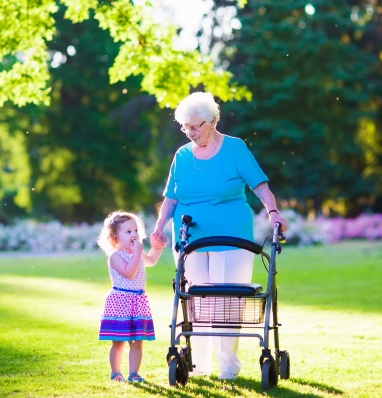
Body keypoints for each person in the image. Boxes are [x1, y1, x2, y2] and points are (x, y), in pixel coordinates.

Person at [150, 92, 288, 380]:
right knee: (195, 301)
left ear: (212, 121)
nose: (190, 132)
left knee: (227, 301)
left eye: (195, 126)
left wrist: (273, 212)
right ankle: (199, 366)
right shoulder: (182, 155)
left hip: (232, 236)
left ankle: (228, 368)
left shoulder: (235, 149)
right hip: (190, 238)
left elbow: (260, 186)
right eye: (184, 127)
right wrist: (159, 226)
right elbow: (171, 198)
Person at [97, 211, 167, 383]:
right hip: (121, 302)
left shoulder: (135, 252)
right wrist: (137, 253)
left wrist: (157, 248)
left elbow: (150, 261)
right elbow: (129, 272)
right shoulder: (116, 256)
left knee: (137, 341)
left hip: (137, 301)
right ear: (115, 238)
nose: (134, 234)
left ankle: (134, 373)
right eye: (128, 232)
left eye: (135, 230)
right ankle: (115, 372)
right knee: (119, 341)